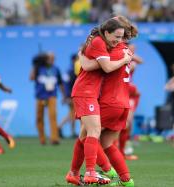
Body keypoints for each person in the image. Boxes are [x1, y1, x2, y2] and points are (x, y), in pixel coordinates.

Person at [67, 16, 137, 187]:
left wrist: (81, 56)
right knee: (106, 142)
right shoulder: (125, 50)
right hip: (123, 104)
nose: (117, 40)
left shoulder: (111, 50)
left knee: (86, 136)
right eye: (116, 36)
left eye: (119, 37)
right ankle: (126, 180)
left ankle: (98, 173)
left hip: (108, 101)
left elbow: (93, 66)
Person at [30, 52, 66, 145]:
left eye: (53, 58)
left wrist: (64, 96)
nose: (51, 60)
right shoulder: (38, 68)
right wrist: (35, 65)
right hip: (40, 96)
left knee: (52, 116)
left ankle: (54, 138)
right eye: (49, 58)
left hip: (51, 96)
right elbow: (31, 78)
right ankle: (42, 139)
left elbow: (60, 83)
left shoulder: (56, 69)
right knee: (39, 118)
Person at [119, 43, 142, 160]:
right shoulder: (121, 60)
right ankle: (120, 149)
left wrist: (130, 55)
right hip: (124, 91)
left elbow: (140, 61)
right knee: (123, 122)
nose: (133, 50)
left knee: (128, 122)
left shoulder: (130, 60)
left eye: (134, 49)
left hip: (128, 91)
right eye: (131, 48)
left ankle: (125, 148)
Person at [58, 54, 78, 138]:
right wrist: (67, 97)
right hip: (71, 96)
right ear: (74, 60)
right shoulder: (71, 71)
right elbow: (66, 85)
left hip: (71, 95)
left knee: (73, 113)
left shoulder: (70, 70)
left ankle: (71, 131)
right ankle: (59, 127)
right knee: (73, 114)